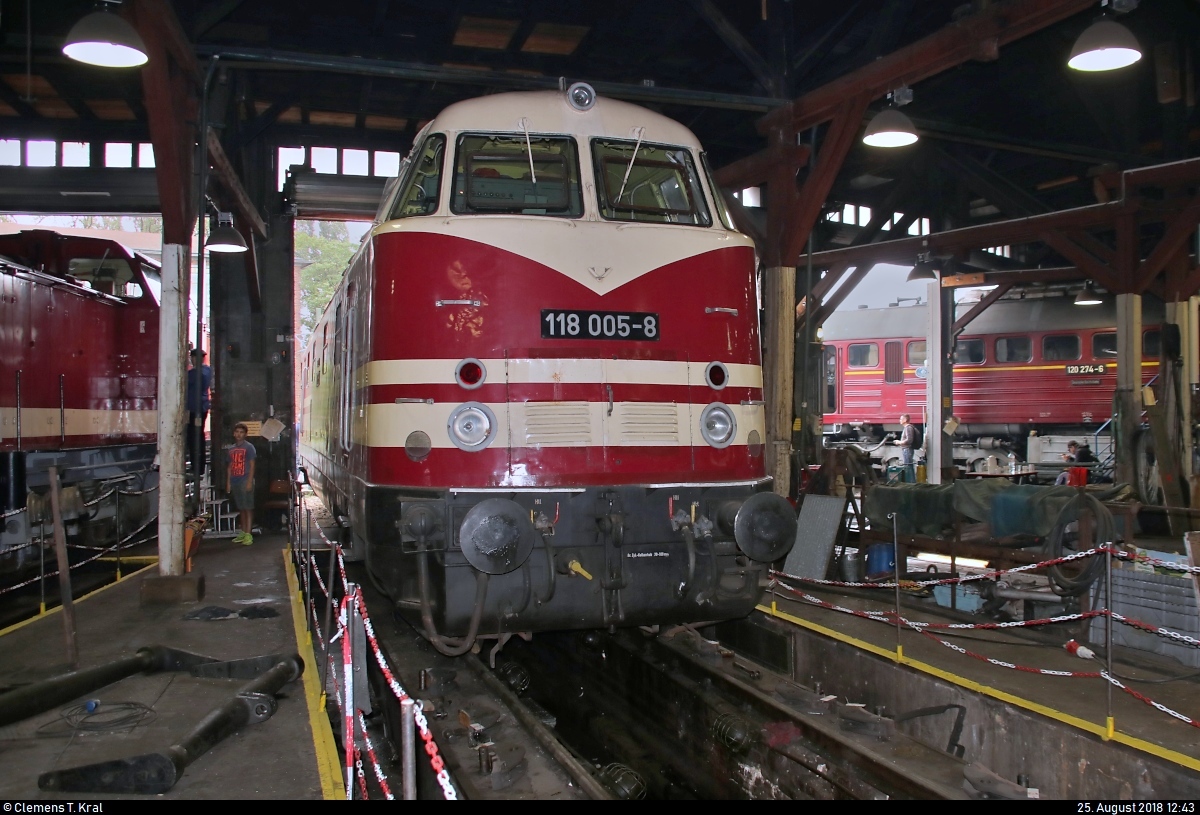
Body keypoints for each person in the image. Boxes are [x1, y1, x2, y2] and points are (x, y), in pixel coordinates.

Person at [226, 423, 257, 545]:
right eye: (237, 432)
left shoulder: (249, 447)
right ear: (234, 434)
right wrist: (228, 482)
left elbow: (252, 465)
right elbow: (230, 466)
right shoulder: (231, 449)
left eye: (241, 432)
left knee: (248, 507)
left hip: (245, 479)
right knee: (241, 508)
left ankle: (249, 533)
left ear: (245, 434)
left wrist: (249, 481)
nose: (239, 434)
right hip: (235, 480)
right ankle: (243, 532)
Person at [186, 349, 213, 477]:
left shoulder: (197, 373)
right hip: (199, 408)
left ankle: (197, 467)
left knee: (194, 438)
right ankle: (197, 466)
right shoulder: (206, 370)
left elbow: (189, 379)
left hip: (196, 409)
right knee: (196, 437)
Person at [898, 413, 917, 483]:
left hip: (907, 449)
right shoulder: (907, 428)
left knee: (908, 466)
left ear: (905, 420)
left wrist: (899, 442)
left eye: (901, 419)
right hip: (906, 449)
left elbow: (909, 440)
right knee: (908, 466)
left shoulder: (908, 428)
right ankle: (911, 482)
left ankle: (911, 482)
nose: (900, 420)